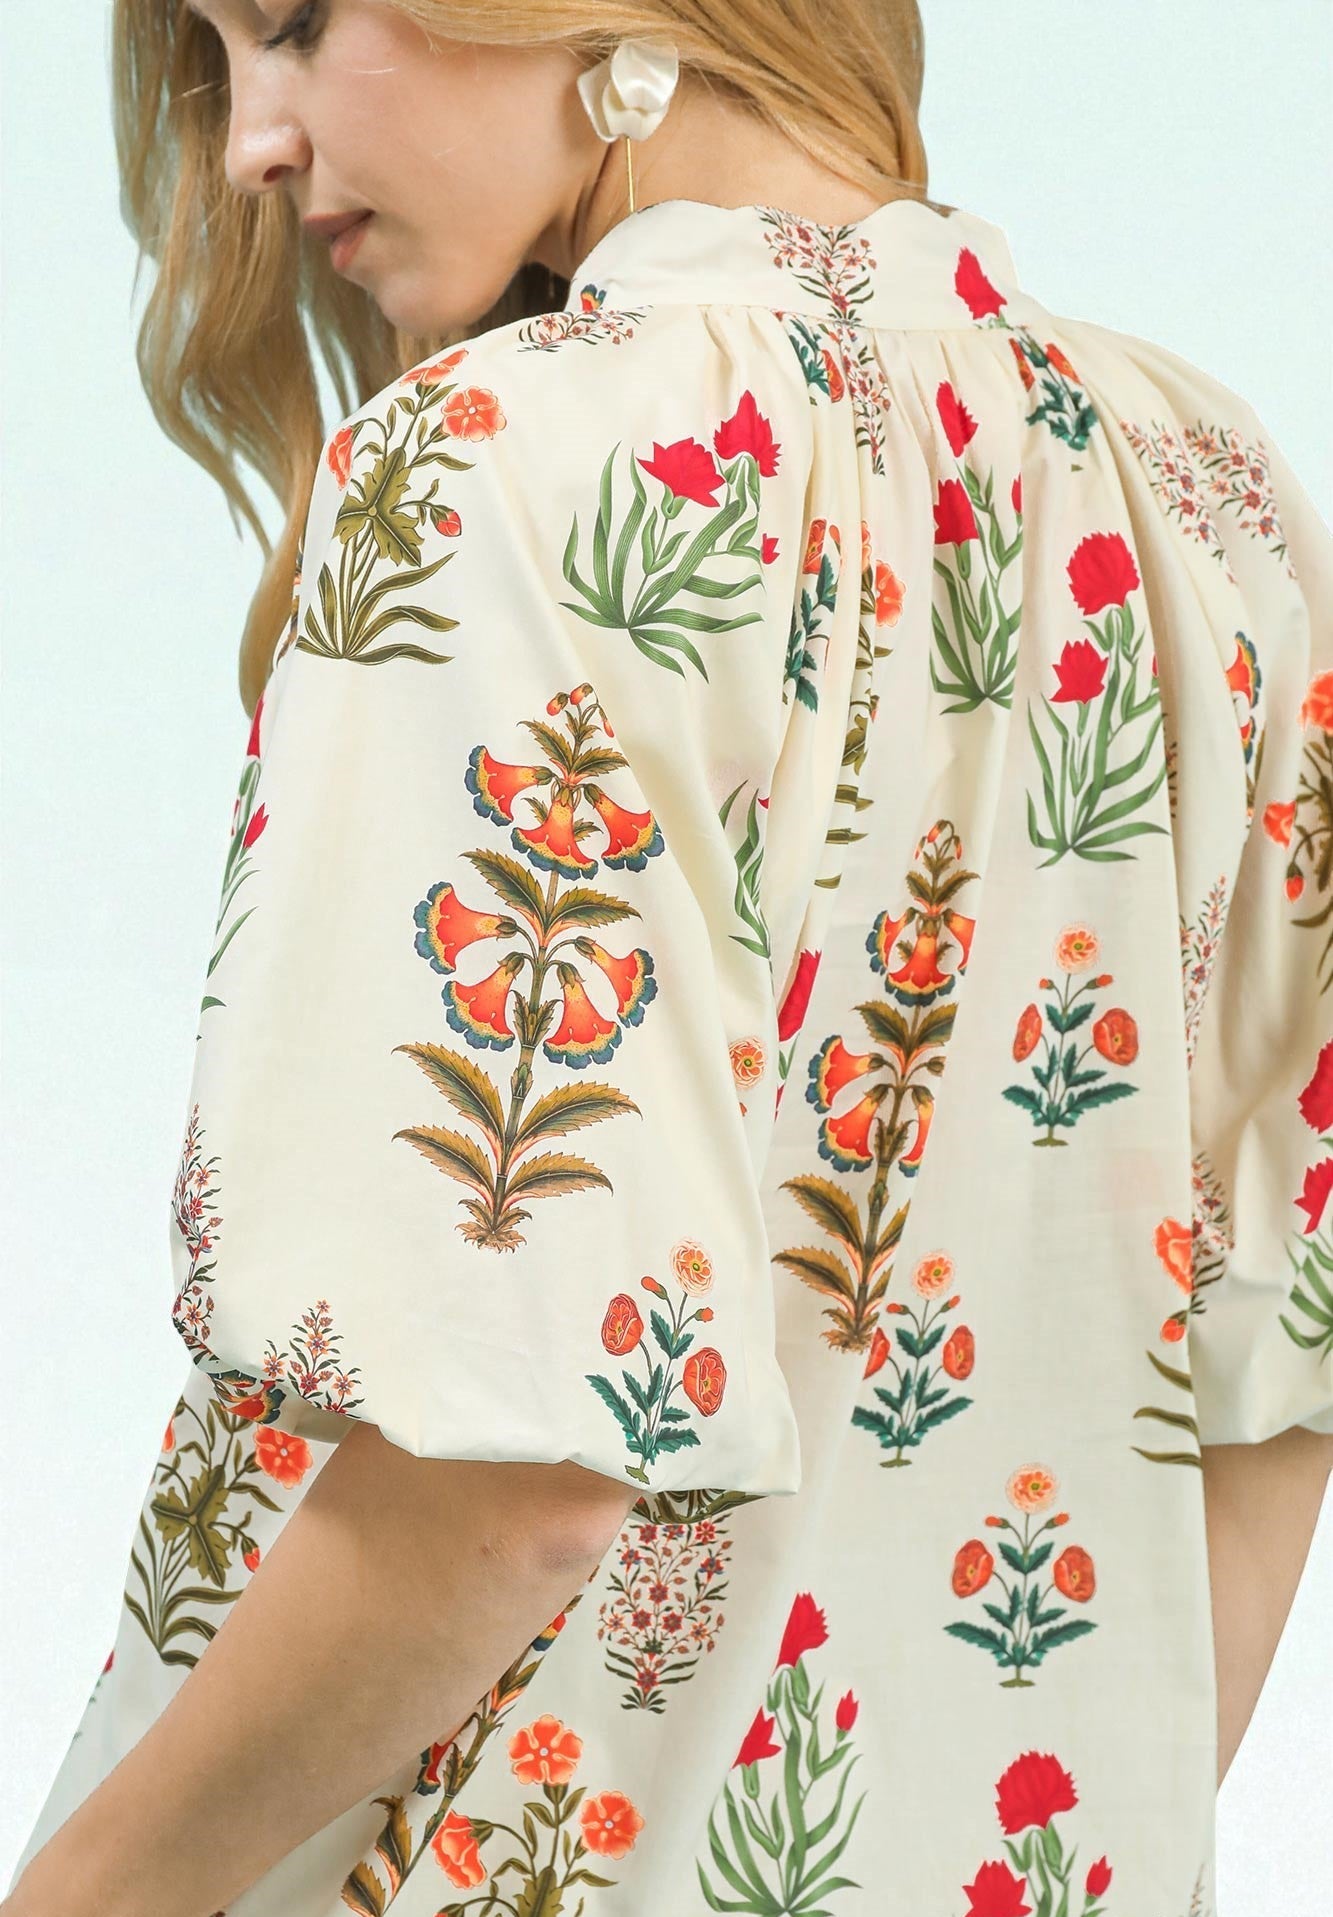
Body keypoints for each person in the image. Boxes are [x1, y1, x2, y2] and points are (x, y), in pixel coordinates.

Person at [5, 2, 1331, 1913]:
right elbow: (1272, 1362)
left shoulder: (490, 469)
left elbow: (515, 1471)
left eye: (292, 26)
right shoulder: (1198, 479)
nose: (249, 143)